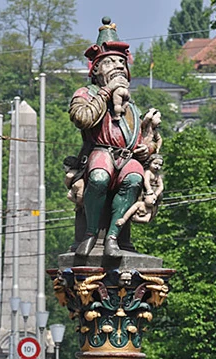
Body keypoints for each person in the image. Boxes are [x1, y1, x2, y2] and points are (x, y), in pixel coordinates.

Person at [68, 17, 157, 258]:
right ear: (96, 69)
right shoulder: (86, 93)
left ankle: (113, 237)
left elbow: (141, 138)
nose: (118, 66)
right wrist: (107, 93)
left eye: (121, 62)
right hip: (99, 151)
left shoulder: (131, 106)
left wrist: (144, 149)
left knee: (135, 178)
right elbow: (82, 118)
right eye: (109, 62)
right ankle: (90, 233)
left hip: (126, 157)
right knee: (98, 177)